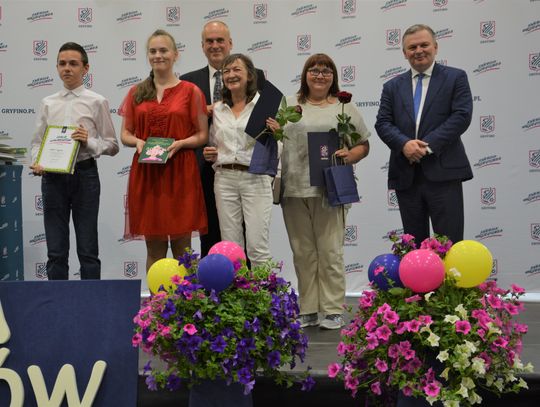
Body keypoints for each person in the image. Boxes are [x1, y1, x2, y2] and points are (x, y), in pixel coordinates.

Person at [268, 53, 370, 330]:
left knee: (330, 252)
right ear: (305, 74)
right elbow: (273, 140)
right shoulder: (289, 104)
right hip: (294, 188)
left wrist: (350, 155)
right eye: (314, 70)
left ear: (333, 77)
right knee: (303, 253)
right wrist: (273, 131)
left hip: (330, 189)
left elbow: (363, 144)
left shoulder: (344, 107)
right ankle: (308, 308)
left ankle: (333, 309)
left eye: (326, 71)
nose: (320, 75)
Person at [375, 24, 473, 245]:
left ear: (435, 47)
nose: (418, 50)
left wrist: (425, 147)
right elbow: (383, 123)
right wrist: (404, 145)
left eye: (424, 45)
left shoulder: (455, 78)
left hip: (444, 172)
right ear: (404, 53)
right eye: (412, 47)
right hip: (406, 174)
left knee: (449, 244)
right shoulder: (391, 86)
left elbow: (461, 116)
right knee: (414, 248)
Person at [119, 29, 208, 272]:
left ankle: (187, 296)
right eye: (153, 51)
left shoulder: (191, 91)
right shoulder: (136, 92)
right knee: (154, 249)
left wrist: (180, 143)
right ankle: (157, 297)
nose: (158, 55)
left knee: (183, 249)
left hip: (180, 173)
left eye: (163, 50)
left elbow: (202, 135)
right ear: (148, 55)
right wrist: (137, 142)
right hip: (148, 175)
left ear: (175, 54)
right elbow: (125, 134)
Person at [30, 42, 119, 280]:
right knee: (55, 250)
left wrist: (89, 141)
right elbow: (37, 142)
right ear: (57, 67)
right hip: (52, 177)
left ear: (85, 68)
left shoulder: (97, 101)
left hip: (85, 174)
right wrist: (37, 162)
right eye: (62, 64)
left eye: (73, 64)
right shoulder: (48, 103)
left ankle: (91, 300)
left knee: (88, 249)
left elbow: (112, 145)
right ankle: (57, 300)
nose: (67, 68)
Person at [180, 20, 265, 257]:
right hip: (202, 165)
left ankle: (248, 280)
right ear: (202, 46)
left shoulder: (256, 76)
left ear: (230, 43)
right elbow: (182, 123)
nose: (215, 45)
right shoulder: (188, 81)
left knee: (251, 235)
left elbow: (267, 120)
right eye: (209, 41)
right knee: (210, 231)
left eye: (220, 40)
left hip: (246, 168)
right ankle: (213, 279)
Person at [202, 53, 276, 267]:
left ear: (250, 75)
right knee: (231, 247)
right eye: (226, 71)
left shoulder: (265, 105)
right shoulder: (217, 109)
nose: (231, 75)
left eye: (237, 69)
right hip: (224, 179)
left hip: (255, 177)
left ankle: (263, 289)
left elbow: (278, 146)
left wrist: (278, 133)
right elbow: (214, 143)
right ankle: (237, 288)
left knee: (257, 247)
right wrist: (210, 153)